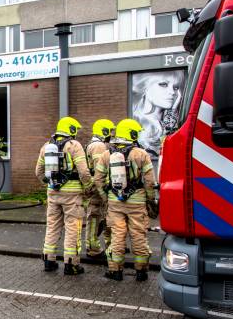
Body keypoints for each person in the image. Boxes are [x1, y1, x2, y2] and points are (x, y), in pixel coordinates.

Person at [92, 118, 156, 281]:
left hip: (115, 202)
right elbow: (149, 181)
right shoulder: (142, 154)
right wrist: (150, 199)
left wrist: (107, 197)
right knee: (138, 235)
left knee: (117, 235)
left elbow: (98, 180)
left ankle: (115, 271)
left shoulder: (107, 154)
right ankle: (141, 271)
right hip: (137, 202)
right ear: (132, 134)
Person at [35, 117, 93, 275]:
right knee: (72, 228)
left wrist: (49, 184)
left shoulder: (47, 146)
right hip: (72, 196)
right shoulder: (74, 146)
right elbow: (84, 172)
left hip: (53, 194)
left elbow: (38, 172)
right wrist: (89, 188)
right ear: (71, 130)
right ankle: (71, 264)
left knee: (52, 226)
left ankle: (49, 260)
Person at [131, 71, 184, 159]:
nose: (172, 92)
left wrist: (173, 110)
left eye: (175, 87)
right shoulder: (136, 121)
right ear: (145, 87)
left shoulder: (168, 120)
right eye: (163, 84)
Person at [84, 119, 115, 259]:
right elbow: (100, 171)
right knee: (95, 217)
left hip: (96, 187)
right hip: (98, 189)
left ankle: (107, 245)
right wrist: (106, 188)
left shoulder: (95, 144)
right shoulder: (98, 146)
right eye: (110, 131)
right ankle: (93, 248)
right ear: (104, 131)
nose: (111, 134)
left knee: (100, 217)